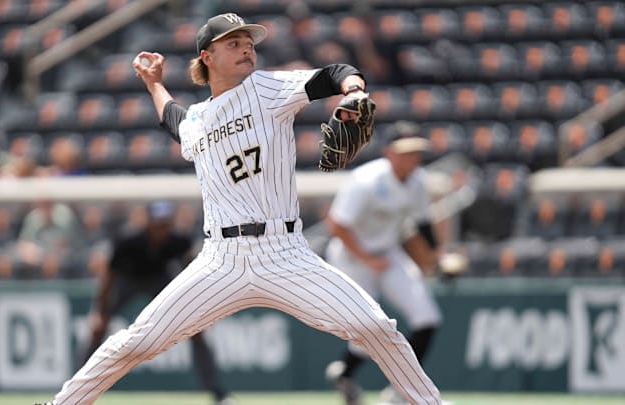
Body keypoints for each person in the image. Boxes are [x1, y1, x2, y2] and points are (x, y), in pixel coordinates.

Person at [36, 13, 441, 405]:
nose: (246, 49)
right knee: (137, 342)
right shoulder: (198, 118)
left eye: (249, 43)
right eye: (234, 43)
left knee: (374, 326)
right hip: (221, 261)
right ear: (206, 58)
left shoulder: (269, 89)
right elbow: (172, 119)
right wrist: (154, 84)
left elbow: (333, 72)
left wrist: (354, 89)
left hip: (284, 253)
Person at [323, 121, 443, 405]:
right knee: (370, 328)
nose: (413, 158)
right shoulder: (367, 180)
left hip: (387, 253)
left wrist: (438, 257)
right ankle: (345, 374)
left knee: (427, 317)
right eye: (406, 151)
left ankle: (401, 390)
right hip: (352, 257)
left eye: (417, 152)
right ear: (390, 153)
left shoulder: (417, 181)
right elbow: (337, 224)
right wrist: (366, 257)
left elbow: (424, 224)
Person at [83, 200, 233, 405]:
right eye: (158, 224)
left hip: (159, 281)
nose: (162, 229)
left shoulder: (178, 241)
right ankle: (79, 384)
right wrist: (100, 312)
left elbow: (192, 269)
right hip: (129, 281)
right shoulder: (129, 240)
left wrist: (197, 310)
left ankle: (216, 392)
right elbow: (109, 278)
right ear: (149, 223)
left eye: (165, 224)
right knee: (97, 329)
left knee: (197, 331)